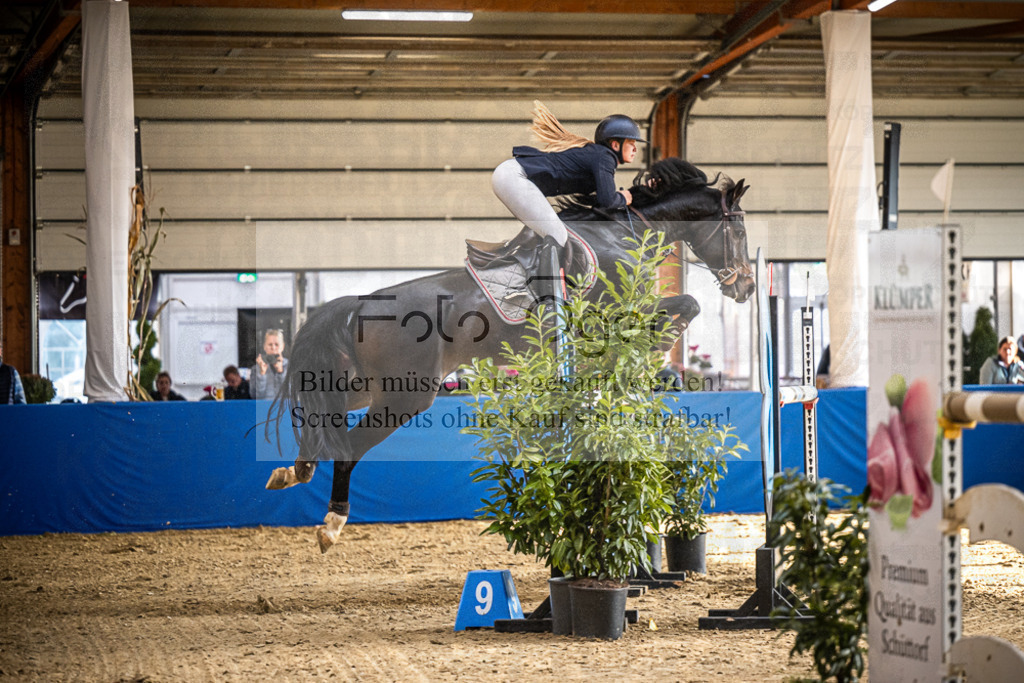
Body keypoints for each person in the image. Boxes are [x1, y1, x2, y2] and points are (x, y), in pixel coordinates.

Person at [491, 103, 644, 269]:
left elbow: (601, 202)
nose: (635, 148)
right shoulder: (605, 157)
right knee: (557, 235)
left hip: (511, 174)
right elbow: (607, 200)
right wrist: (623, 197)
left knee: (551, 232)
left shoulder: (598, 155)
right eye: (631, 142)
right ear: (615, 145)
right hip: (514, 176)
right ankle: (548, 293)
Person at [250, 329, 289, 400]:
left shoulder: (292, 366)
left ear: (282, 346)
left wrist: (281, 372)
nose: (273, 348)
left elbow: (292, 394)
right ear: (264, 347)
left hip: (285, 409)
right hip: (265, 409)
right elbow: (254, 396)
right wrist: (262, 374)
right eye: (270, 344)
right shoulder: (256, 368)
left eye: (276, 344)